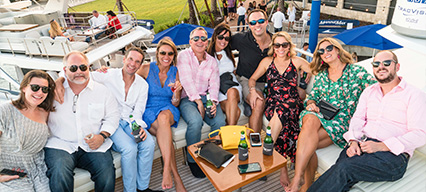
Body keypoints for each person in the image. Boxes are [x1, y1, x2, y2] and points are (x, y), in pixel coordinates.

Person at [308, 50, 426, 192]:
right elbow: (358, 118)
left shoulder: (413, 94)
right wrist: (353, 141)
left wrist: (382, 146)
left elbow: (420, 134)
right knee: (340, 172)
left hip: (392, 156)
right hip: (362, 145)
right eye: (376, 64)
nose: (381, 67)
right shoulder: (369, 91)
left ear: (397, 67)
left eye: (386, 63)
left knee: (344, 168)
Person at [54, 48, 159, 192]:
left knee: (148, 143)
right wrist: (59, 82)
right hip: (111, 121)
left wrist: (138, 127)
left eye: (137, 62)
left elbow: (138, 112)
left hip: (129, 122)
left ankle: (142, 187)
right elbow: (77, 73)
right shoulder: (108, 75)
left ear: (140, 65)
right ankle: (130, 190)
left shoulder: (143, 85)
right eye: (130, 59)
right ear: (124, 59)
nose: (132, 64)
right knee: (129, 148)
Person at [286, 38, 376, 192]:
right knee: (310, 117)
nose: (325, 53)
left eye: (329, 48)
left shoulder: (357, 72)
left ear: (337, 50)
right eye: (321, 51)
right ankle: (299, 180)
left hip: (342, 121)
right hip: (320, 114)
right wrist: (311, 103)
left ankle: (302, 182)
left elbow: (378, 91)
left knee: (306, 143)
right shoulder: (321, 75)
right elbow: (312, 96)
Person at [44, 51, 119, 192]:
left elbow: (113, 116)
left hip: (92, 145)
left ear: (89, 68)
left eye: (83, 67)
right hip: (60, 144)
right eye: (73, 68)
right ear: (65, 70)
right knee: (59, 172)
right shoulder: (53, 92)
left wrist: (102, 136)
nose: (79, 72)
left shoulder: (102, 92)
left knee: (107, 172)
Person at [249, 31, 310, 188]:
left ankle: (267, 148)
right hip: (273, 103)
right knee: (281, 118)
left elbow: (318, 70)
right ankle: (283, 168)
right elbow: (252, 79)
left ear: (289, 46)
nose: (281, 48)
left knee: (282, 112)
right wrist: (253, 91)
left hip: (293, 102)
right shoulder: (267, 62)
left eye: (284, 44)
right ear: (273, 47)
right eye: (277, 45)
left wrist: (304, 83)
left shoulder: (297, 61)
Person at [137, 38, 186, 192]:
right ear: (157, 54)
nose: (166, 56)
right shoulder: (146, 69)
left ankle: (166, 171)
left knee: (164, 118)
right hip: (149, 109)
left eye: (170, 53)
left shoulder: (175, 71)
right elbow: (128, 79)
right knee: (164, 135)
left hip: (168, 108)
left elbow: (176, 102)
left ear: (174, 55)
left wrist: (177, 91)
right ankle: (176, 178)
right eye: (163, 53)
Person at [177, 27, 226, 178]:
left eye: (203, 39)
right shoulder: (183, 56)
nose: (200, 41)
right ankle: (192, 159)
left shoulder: (211, 61)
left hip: (206, 97)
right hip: (187, 98)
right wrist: (197, 101)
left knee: (220, 121)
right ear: (190, 41)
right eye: (196, 38)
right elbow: (186, 80)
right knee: (196, 122)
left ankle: (212, 154)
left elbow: (214, 84)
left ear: (207, 42)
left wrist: (212, 102)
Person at [0, 70, 55, 191]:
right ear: (24, 88)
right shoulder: (5, 110)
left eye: (44, 89)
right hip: (9, 168)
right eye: (35, 87)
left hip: (37, 169)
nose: (40, 92)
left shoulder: (45, 113)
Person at [231, 9, 272, 133]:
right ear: (249, 25)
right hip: (247, 79)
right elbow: (220, 44)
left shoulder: (276, 42)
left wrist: (303, 69)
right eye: (253, 22)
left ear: (266, 22)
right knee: (258, 103)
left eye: (260, 21)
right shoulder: (241, 39)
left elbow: (290, 54)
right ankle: (255, 146)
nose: (257, 25)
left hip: (270, 83)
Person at [207, 23, 242, 125]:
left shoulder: (228, 54)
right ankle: (227, 137)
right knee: (237, 112)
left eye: (227, 39)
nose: (223, 41)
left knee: (231, 92)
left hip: (232, 85)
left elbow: (233, 70)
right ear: (215, 37)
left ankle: (229, 132)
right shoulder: (208, 56)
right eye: (221, 37)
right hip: (218, 90)